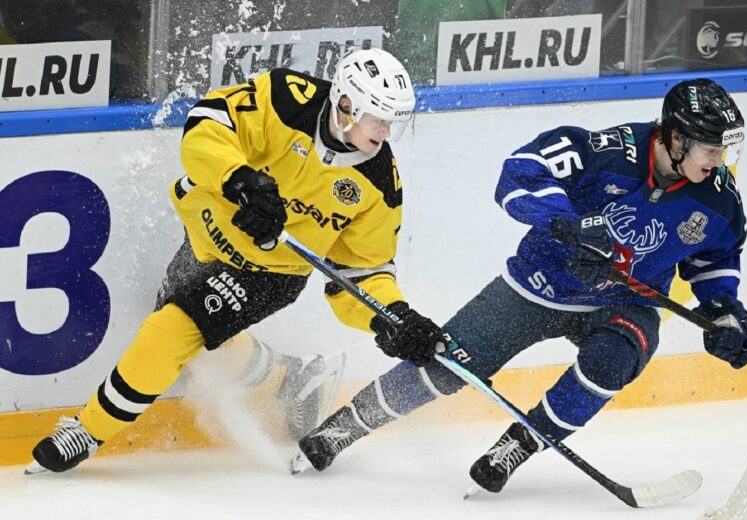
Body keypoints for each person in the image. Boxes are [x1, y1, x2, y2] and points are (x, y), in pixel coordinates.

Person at [294, 78, 747, 495]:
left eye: (724, 151)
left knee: (612, 361)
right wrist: (565, 223)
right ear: (676, 138)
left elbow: (716, 257)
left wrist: (723, 310)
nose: (719, 162)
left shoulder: (719, 198)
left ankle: (518, 444)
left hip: (625, 300)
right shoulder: (611, 152)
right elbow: (520, 168)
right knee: (447, 363)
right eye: (711, 150)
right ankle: (343, 427)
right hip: (539, 283)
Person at [28, 47, 445, 474]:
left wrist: (392, 315)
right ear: (346, 104)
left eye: (393, 121)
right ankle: (289, 380)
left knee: (171, 329)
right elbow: (206, 123)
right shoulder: (286, 98)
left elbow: (363, 270)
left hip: (270, 273)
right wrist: (238, 179)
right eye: (379, 119)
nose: (386, 132)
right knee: (201, 349)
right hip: (205, 237)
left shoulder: (379, 184)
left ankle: (88, 431)